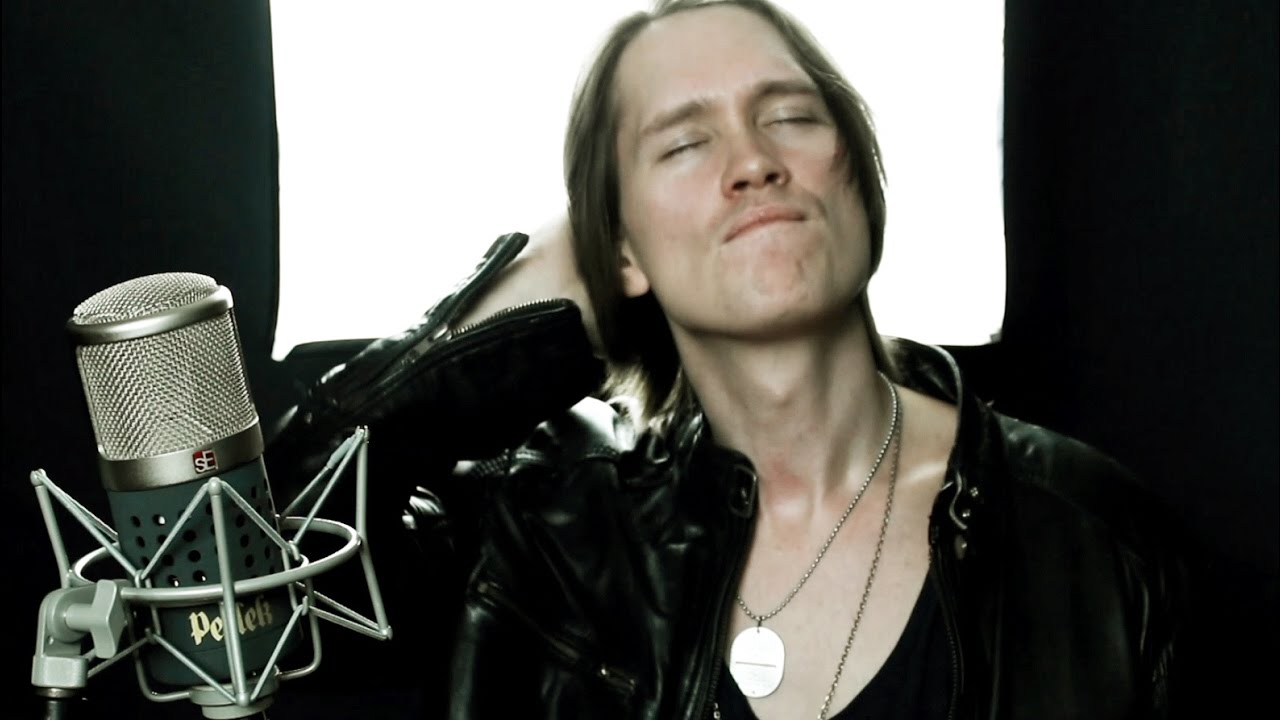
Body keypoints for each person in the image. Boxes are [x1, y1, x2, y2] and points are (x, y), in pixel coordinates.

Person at [268, 1, 1187, 718]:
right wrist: (515, 313)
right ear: (617, 249)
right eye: (684, 142)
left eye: (791, 116)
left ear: (859, 180)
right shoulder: (543, 543)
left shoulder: (1095, 537)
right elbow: (250, 586)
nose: (753, 162)